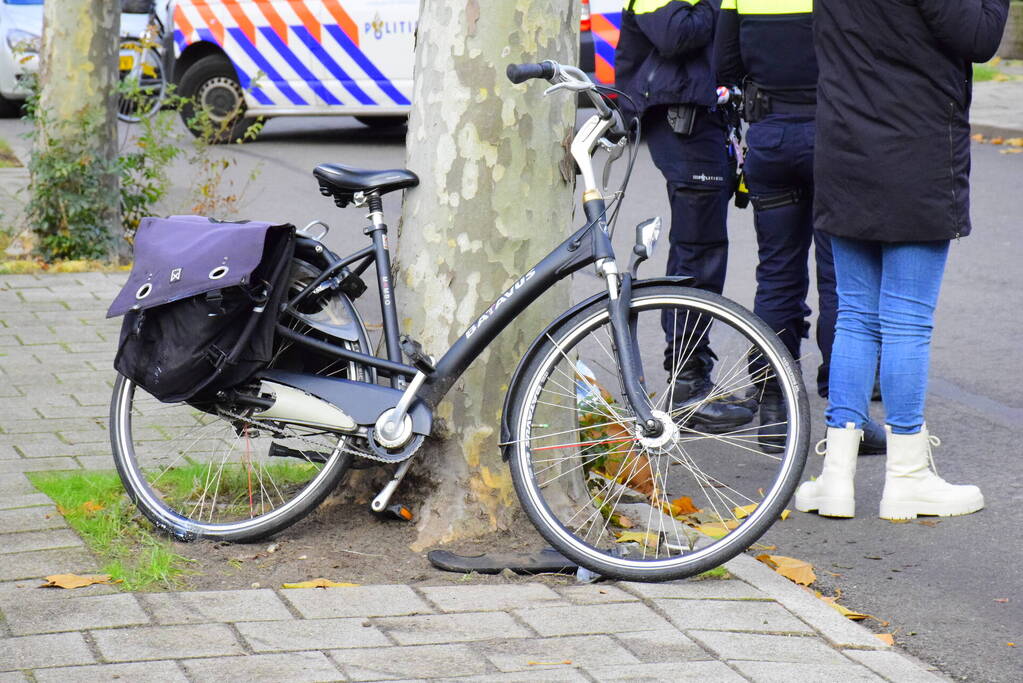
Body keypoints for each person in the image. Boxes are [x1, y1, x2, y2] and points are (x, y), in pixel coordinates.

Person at [795, 0, 1009, 519]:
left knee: (855, 316)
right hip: (915, 153)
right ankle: (908, 475)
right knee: (907, 319)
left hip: (845, 150)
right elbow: (978, 38)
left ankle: (836, 477)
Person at [714, 0, 885, 455]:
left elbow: (724, 64)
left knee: (776, 276)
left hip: (770, 139)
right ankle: (849, 420)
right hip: (833, 137)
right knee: (841, 280)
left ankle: (774, 414)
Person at [615, 0, 753, 433]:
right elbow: (675, 35)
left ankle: (692, 378)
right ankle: (687, 386)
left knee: (705, 250)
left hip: (707, 121)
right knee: (697, 253)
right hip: (681, 123)